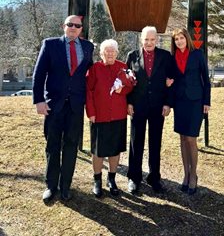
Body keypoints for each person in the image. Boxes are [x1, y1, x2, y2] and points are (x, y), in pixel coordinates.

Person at [33, 15, 94, 202]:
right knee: (53, 145)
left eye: (77, 26)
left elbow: (91, 73)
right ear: (64, 26)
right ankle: (51, 186)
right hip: (54, 105)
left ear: (81, 29)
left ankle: (66, 186)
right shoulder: (50, 44)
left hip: (75, 106)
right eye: (70, 25)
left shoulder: (88, 47)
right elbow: (39, 73)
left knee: (70, 146)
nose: (74, 28)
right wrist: (39, 101)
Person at [86, 39, 136, 198]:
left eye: (112, 51)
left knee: (115, 149)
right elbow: (88, 91)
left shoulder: (124, 67)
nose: (110, 54)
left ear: (116, 52)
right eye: (106, 51)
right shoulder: (95, 68)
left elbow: (132, 84)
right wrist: (91, 112)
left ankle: (112, 179)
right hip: (99, 116)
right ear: (101, 53)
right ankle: (97, 180)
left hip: (118, 115)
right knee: (98, 151)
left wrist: (123, 89)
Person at [126, 26, 173, 194]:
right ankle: (134, 178)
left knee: (155, 143)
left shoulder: (166, 57)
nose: (149, 42)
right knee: (135, 142)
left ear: (157, 40)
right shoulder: (132, 56)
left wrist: (167, 104)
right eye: (146, 39)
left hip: (158, 106)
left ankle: (154, 178)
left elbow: (171, 82)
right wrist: (129, 102)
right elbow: (127, 82)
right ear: (141, 40)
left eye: (152, 39)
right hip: (138, 106)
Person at [169, 27, 211, 195]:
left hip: (196, 101)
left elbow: (206, 80)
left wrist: (207, 101)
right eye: (176, 39)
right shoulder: (172, 58)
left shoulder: (197, 54)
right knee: (182, 139)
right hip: (180, 102)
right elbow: (171, 79)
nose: (179, 41)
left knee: (191, 139)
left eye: (181, 38)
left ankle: (193, 175)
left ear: (187, 38)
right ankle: (185, 174)